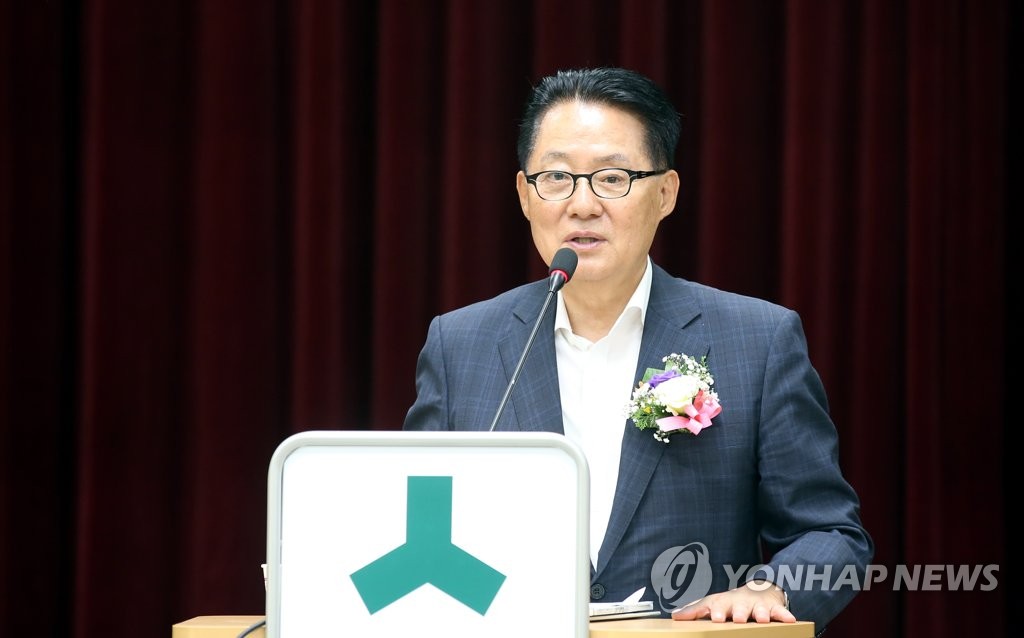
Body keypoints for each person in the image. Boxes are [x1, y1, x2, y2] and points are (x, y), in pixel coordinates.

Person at [402, 67, 872, 634]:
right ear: (525, 195)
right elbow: (414, 522)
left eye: (612, 177)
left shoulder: (757, 340)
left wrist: (770, 589)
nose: (582, 205)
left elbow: (830, 534)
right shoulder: (461, 345)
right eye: (557, 177)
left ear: (666, 193)